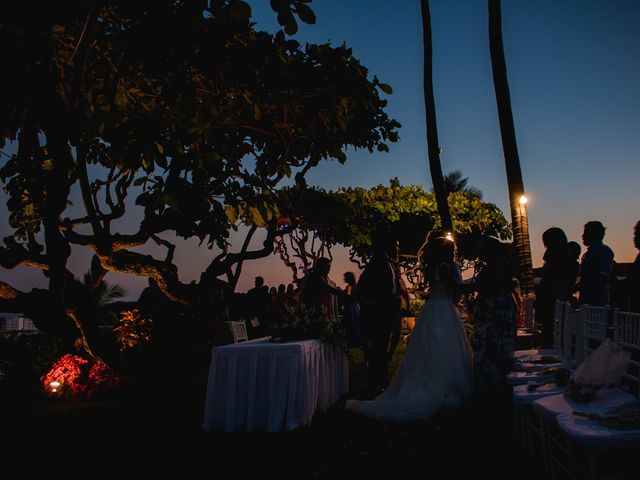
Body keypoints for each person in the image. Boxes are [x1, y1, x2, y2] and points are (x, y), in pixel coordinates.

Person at [345, 233, 473, 421]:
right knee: (444, 347)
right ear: (444, 251)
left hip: (434, 309)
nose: (453, 251)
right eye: (450, 249)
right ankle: (441, 386)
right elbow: (457, 287)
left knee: (432, 349)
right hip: (443, 309)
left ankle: (422, 382)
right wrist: (478, 286)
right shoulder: (445, 267)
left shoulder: (435, 267)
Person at [356, 235, 401, 394]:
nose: (397, 247)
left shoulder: (388, 263)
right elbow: (364, 288)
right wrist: (376, 302)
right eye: (394, 244)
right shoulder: (378, 262)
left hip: (386, 312)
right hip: (378, 313)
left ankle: (380, 381)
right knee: (378, 349)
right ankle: (377, 383)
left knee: (381, 348)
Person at [472, 238, 519, 392]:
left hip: (494, 310)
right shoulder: (503, 265)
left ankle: (494, 386)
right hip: (497, 307)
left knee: (493, 348)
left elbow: (489, 286)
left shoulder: (495, 266)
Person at [535, 227, 578, 347]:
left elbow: (556, 282)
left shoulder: (556, 259)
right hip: (555, 301)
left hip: (553, 301)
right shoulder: (567, 259)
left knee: (551, 334)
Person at [579, 221, 614, 306]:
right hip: (586, 299)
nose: (582, 236)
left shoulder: (603, 251)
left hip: (597, 301)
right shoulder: (588, 254)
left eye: (585, 232)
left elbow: (602, 276)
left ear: (593, 234)